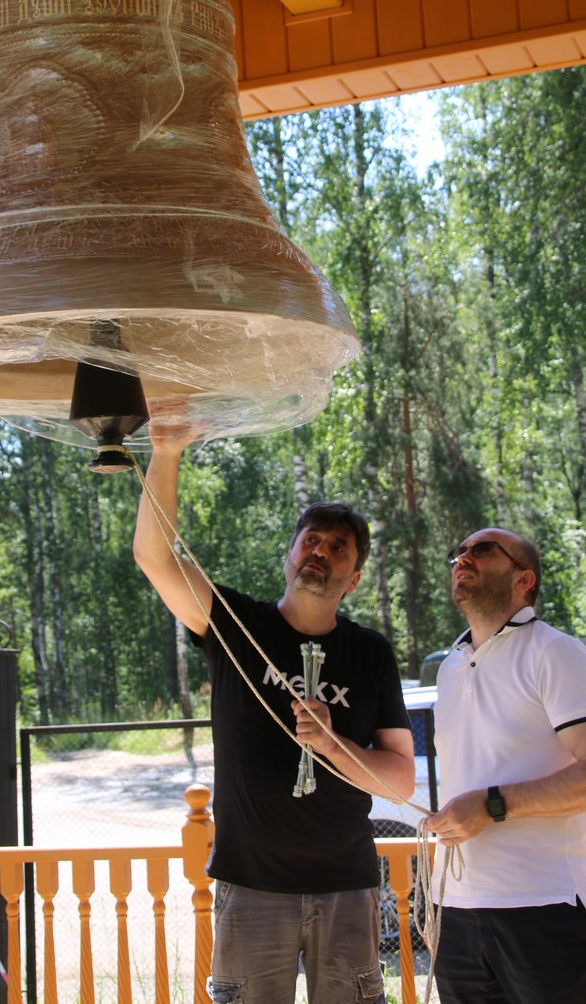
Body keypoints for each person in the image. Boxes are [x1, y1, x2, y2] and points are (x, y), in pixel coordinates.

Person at [133, 415, 415, 1004]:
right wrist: (167, 451)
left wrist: (335, 744)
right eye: (310, 539)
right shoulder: (237, 625)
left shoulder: (369, 653)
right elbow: (156, 559)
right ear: (288, 554)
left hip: (347, 886)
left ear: (354, 578)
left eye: (338, 548)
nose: (321, 551)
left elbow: (399, 780)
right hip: (252, 884)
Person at [426, 527, 586, 1004]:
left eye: (483, 550)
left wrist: (491, 805)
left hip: (546, 909)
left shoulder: (557, 652)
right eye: (459, 552)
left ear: (524, 579)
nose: (463, 559)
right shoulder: (449, 667)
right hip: (456, 909)